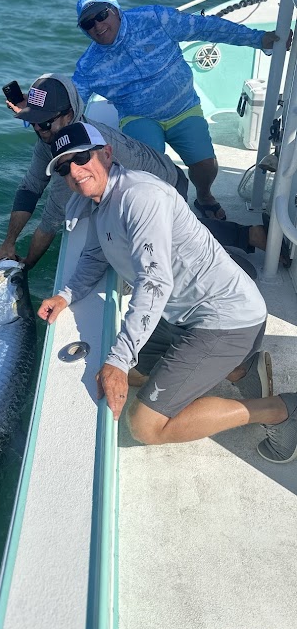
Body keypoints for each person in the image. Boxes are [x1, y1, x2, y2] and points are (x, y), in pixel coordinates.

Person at [38, 120, 297, 462]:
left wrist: (118, 358)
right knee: (129, 376)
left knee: (146, 425)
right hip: (181, 315)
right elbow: (94, 256)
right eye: (63, 167)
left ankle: (281, 410)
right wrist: (66, 295)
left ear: (107, 153)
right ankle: (241, 369)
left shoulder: (139, 196)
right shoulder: (100, 204)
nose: (74, 169)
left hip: (228, 320)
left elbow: (154, 283)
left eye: (82, 156)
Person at [0, 73, 277, 274]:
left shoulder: (79, 153)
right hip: (149, 173)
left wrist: (25, 265)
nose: (38, 130)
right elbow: (31, 186)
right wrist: (9, 242)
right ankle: (244, 235)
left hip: (166, 182)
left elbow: (51, 220)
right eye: (32, 122)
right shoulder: (52, 138)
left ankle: (247, 238)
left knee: (164, 239)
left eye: (43, 123)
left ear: (68, 115)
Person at [72, 0, 292, 221]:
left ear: (116, 10)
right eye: (88, 23)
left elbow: (207, 28)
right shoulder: (89, 66)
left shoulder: (155, 19)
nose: (97, 25)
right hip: (138, 116)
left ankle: (204, 196)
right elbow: (71, 101)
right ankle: (164, 214)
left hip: (183, 108)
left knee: (207, 166)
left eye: (101, 15)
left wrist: (259, 39)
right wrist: (37, 113)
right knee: (148, 174)